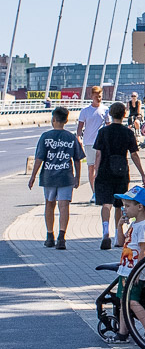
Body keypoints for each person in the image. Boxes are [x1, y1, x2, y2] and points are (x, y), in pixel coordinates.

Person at [104, 186, 145, 345]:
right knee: (122, 300)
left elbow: (144, 250)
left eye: (127, 206)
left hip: (134, 272)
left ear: (139, 207)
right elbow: (121, 243)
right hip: (126, 270)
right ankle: (122, 332)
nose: (124, 209)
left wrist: (137, 272)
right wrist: (120, 226)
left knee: (132, 301)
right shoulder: (134, 225)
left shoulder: (144, 226)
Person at [28, 106, 85, 250]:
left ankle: (49, 235)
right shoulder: (71, 137)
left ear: (53, 119)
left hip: (49, 176)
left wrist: (33, 176)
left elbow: (39, 158)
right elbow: (77, 159)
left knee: (49, 204)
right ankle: (62, 237)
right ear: (66, 120)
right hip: (66, 176)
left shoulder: (45, 137)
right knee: (64, 206)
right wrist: (77, 177)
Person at [94, 102, 145, 250]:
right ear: (124, 114)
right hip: (121, 171)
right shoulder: (128, 133)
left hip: (105, 170)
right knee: (119, 204)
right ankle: (119, 237)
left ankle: (105, 232)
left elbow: (98, 154)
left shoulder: (103, 132)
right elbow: (135, 154)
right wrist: (143, 175)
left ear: (110, 114)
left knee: (106, 203)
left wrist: (95, 172)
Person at [76, 86, 110, 204]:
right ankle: (94, 192)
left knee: (100, 168)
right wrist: (78, 138)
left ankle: (102, 190)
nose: (98, 98)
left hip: (102, 143)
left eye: (100, 96)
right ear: (91, 97)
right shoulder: (85, 111)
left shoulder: (106, 110)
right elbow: (80, 127)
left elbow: (108, 126)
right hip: (89, 142)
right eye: (96, 96)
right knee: (91, 168)